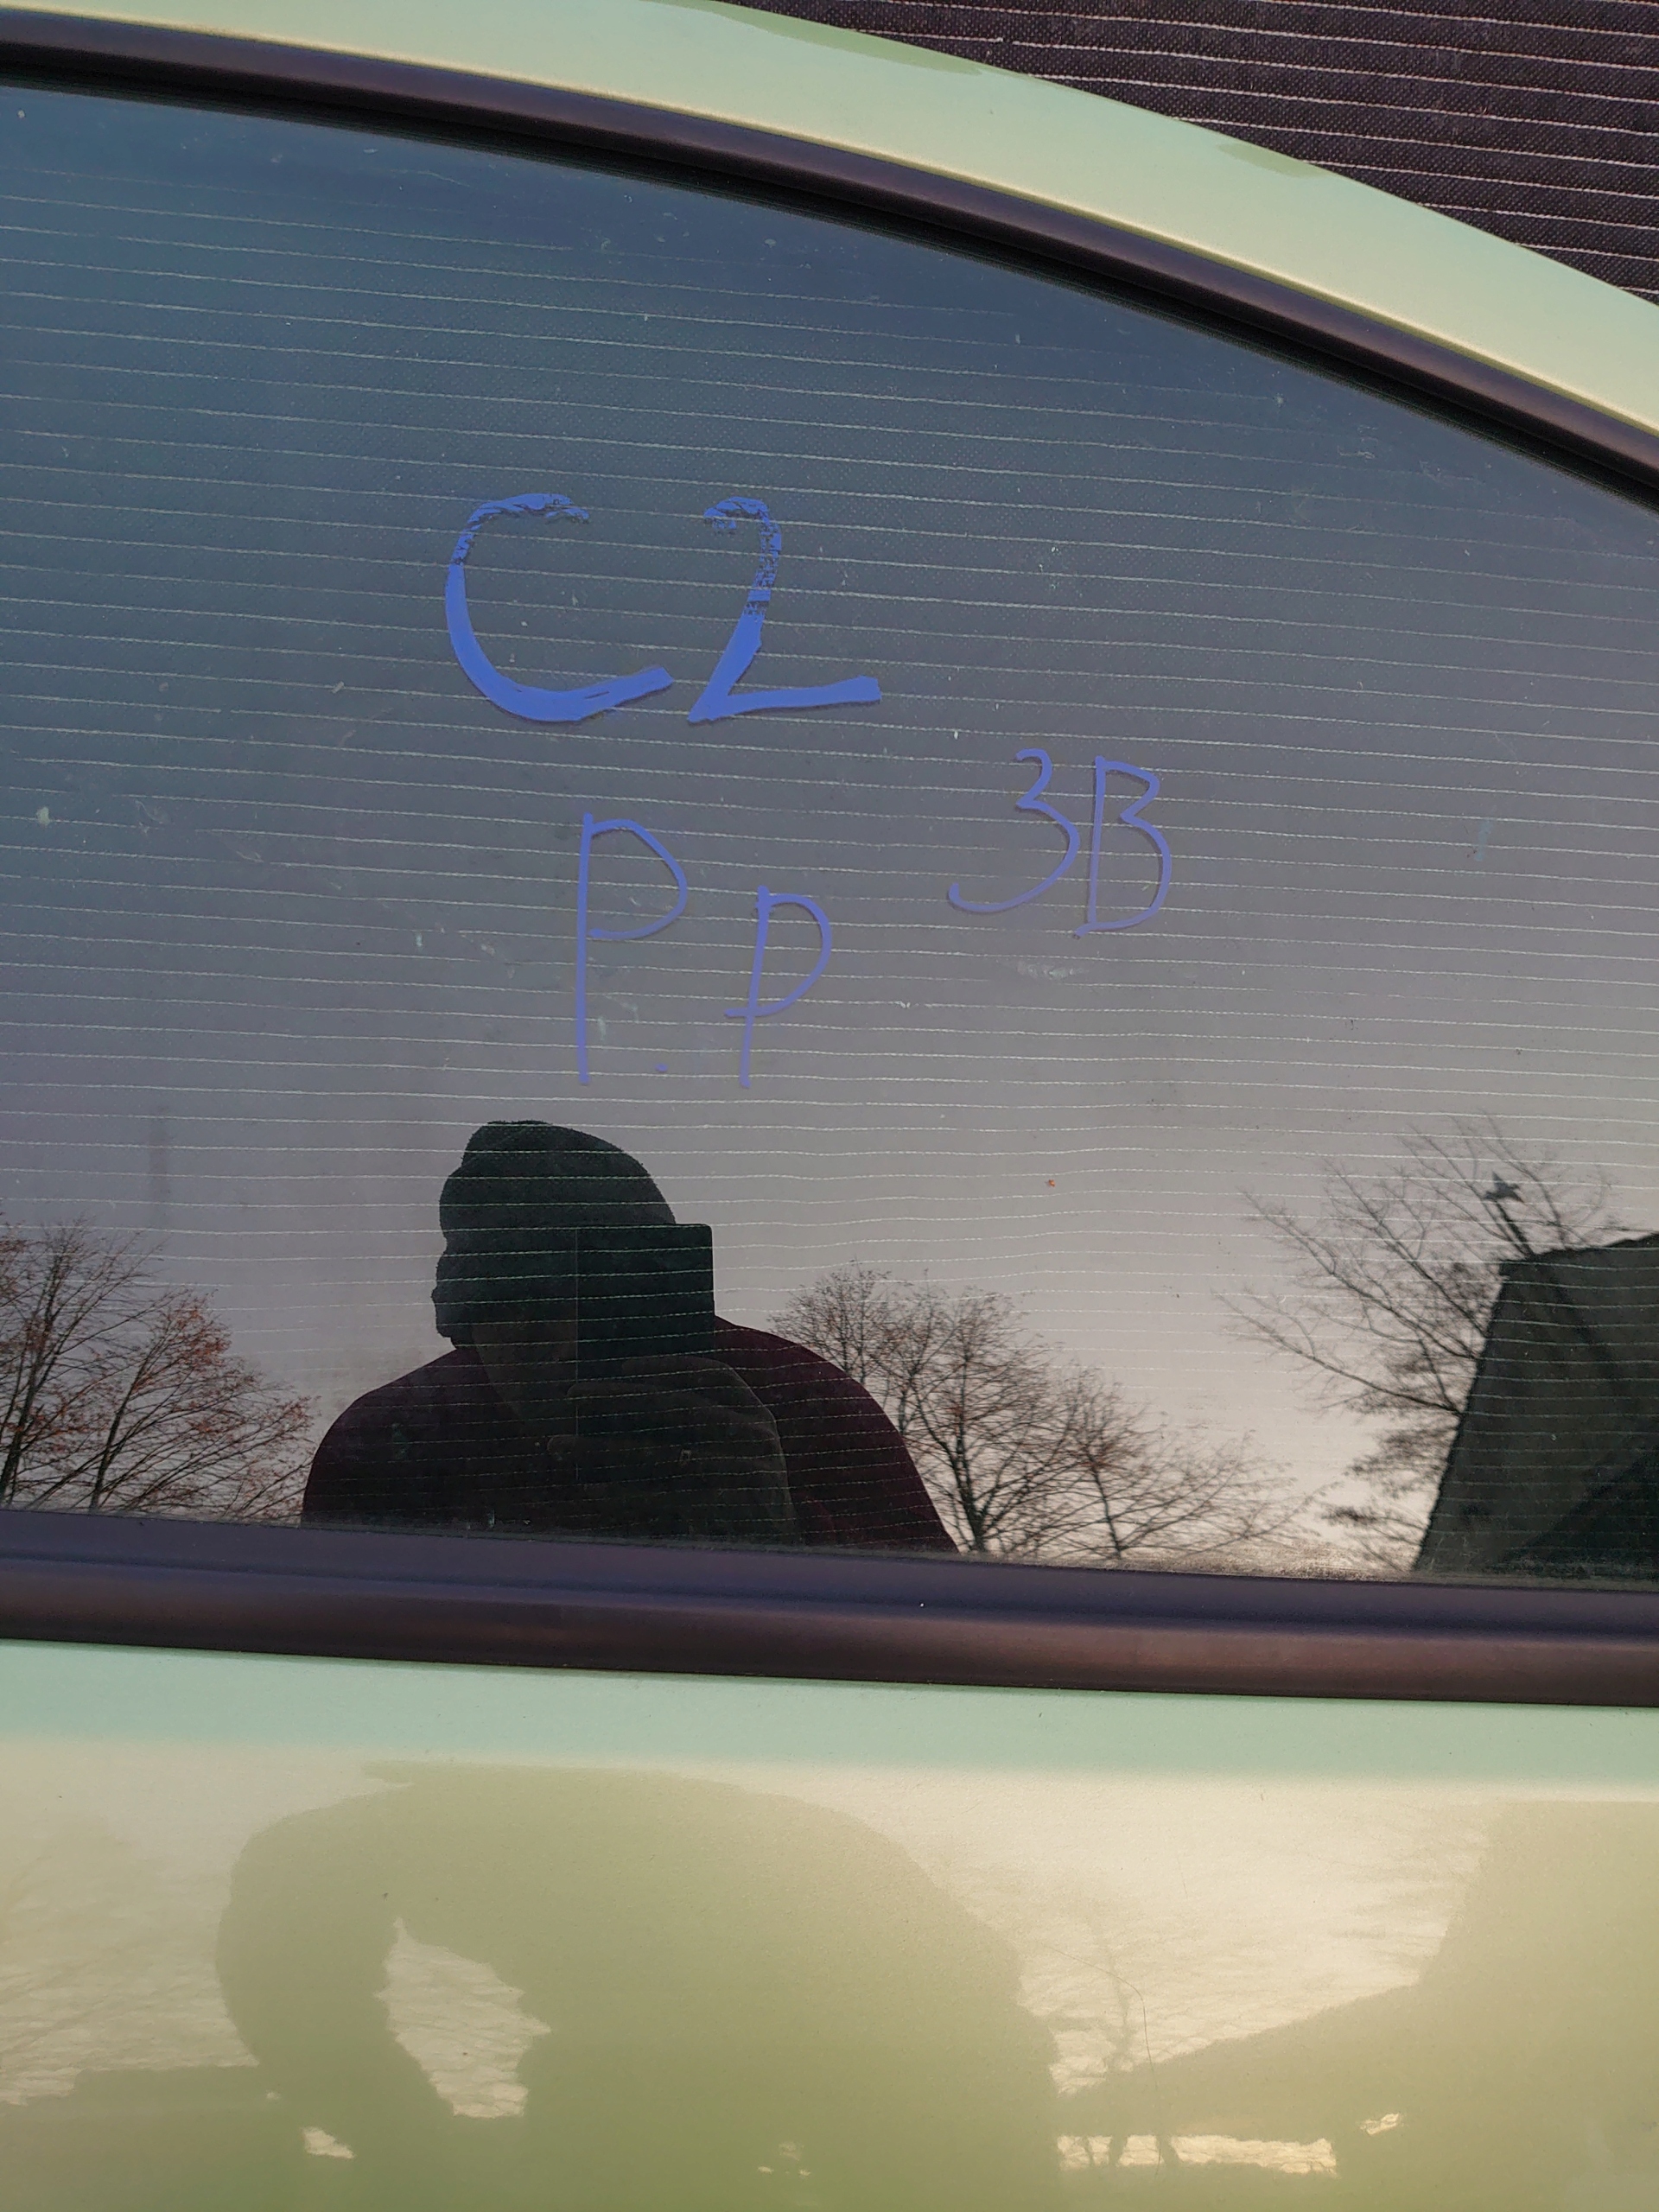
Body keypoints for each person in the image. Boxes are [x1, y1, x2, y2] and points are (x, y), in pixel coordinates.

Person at [302, 1121, 954, 1551]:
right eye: (528, 1307)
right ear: (467, 1325)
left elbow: (937, 1645)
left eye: (602, 1302)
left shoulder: (800, 1400)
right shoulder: (393, 1438)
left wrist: (780, 1536)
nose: (567, 1342)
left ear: (666, 1289)